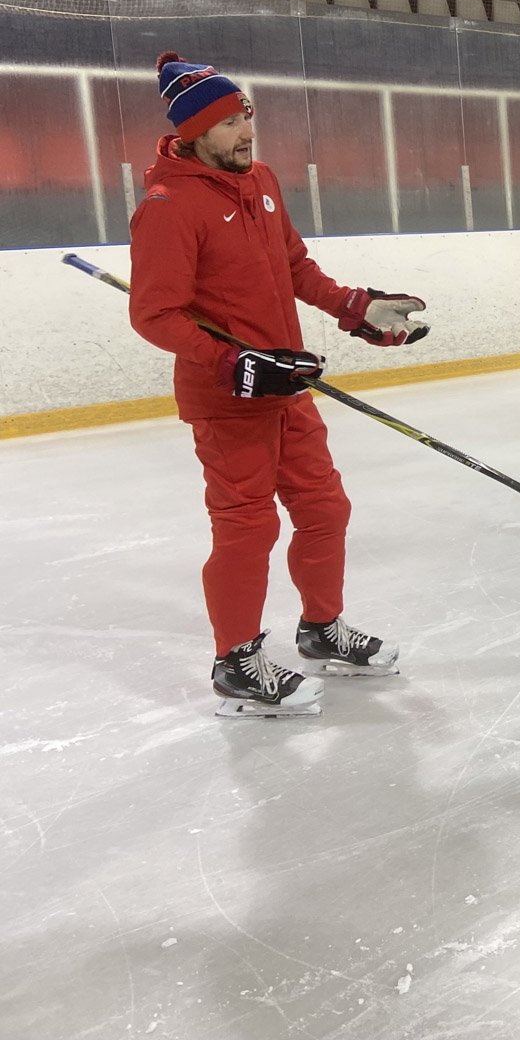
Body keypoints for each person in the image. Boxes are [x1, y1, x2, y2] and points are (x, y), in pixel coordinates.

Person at [129, 52, 429, 718]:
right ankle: (236, 662)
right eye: (230, 122)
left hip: (285, 386)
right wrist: (235, 364)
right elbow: (154, 314)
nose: (245, 132)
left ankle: (322, 631)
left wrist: (356, 308)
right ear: (194, 129)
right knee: (248, 528)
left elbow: (293, 265)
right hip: (227, 402)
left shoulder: (259, 179)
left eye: (246, 117)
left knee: (326, 510)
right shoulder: (167, 205)